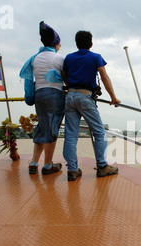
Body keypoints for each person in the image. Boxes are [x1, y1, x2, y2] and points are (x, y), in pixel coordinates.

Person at [62, 30, 121, 181]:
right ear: (91, 44)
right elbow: (104, 76)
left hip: (70, 96)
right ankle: (102, 166)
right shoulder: (95, 57)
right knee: (99, 132)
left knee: (70, 135)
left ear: (76, 44)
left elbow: (64, 74)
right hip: (85, 97)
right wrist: (113, 98)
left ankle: (72, 170)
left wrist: (70, 84)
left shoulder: (69, 57)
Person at [19, 21, 65, 175]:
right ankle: (47, 165)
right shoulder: (59, 59)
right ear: (56, 43)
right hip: (55, 96)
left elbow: (28, 81)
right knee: (52, 129)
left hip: (39, 95)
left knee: (42, 127)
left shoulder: (35, 58)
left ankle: (34, 163)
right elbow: (67, 79)